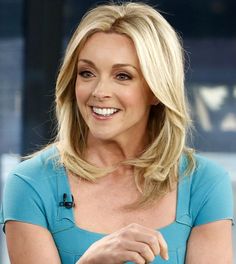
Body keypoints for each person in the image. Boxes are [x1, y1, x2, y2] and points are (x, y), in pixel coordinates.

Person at [0, 2, 234, 264]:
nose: (99, 91)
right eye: (86, 73)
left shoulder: (205, 183)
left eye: (122, 76)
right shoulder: (30, 184)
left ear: (156, 90)